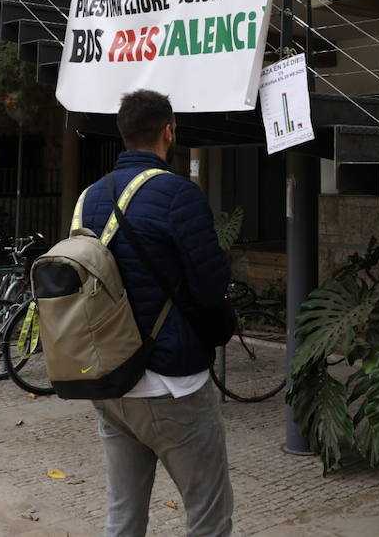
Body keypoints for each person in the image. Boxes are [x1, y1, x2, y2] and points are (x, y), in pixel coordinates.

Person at [75, 89, 233, 537]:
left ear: (124, 135)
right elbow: (209, 287)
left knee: (123, 514)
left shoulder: (89, 197)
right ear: (169, 131)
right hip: (171, 383)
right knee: (208, 513)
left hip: (109, 378)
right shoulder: (177, 194)